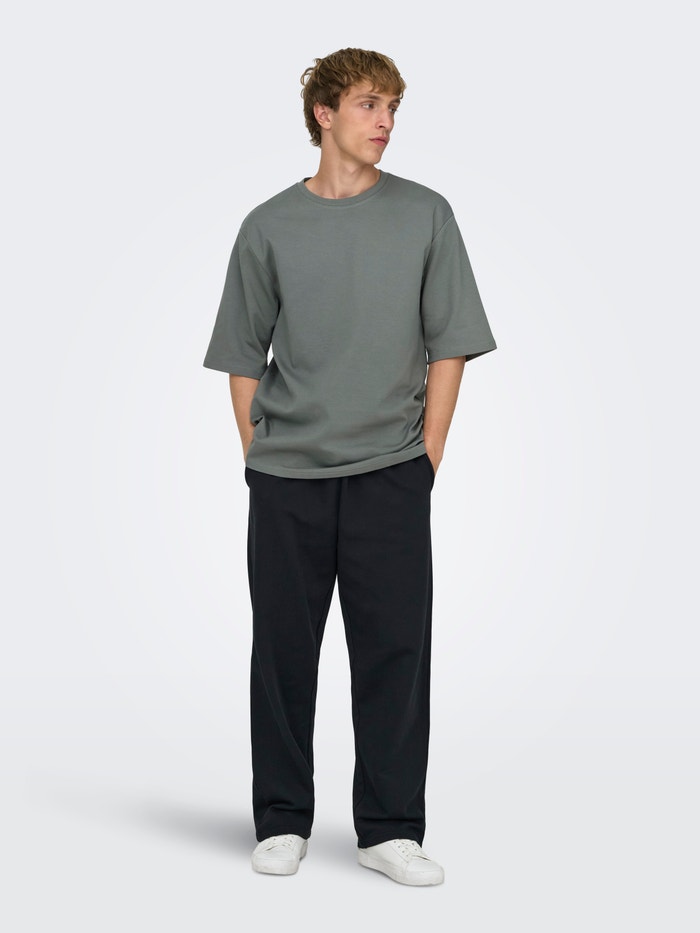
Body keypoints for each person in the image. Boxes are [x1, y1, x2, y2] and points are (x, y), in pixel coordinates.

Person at [202, 47, 496, 886]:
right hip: (286, 478)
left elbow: (450, 346)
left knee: (396, 652)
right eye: (370, 104)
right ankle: (281, 819)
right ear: (323, 114)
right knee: (281, 654)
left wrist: (426, 457)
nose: (386, 121)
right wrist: (259, 456)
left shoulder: (426, 214)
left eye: (393, 106)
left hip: (391, 472)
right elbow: (241, 356)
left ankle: (390, 829)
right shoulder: (268, 225)